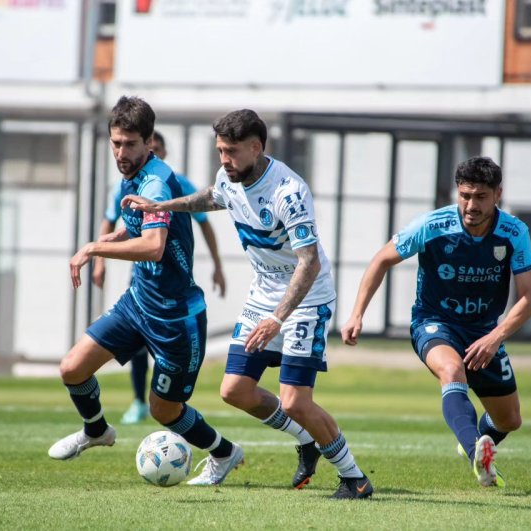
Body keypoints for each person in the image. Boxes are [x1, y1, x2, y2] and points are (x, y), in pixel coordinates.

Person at [124, 109, 373, 499]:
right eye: (220, 150)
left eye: (232, 151)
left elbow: (310, 262)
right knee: (235, 390)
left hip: (305, 300)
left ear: (256, 147)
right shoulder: (230, 176)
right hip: (263, 297)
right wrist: (162, 207)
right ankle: (307, 441)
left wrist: (278, 318)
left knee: (294, 400)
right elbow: (211, 196)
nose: (224, 159)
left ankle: (354, 478)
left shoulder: (287, 193)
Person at [49, 96, 243, 488]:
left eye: (131, 144)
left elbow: (153, 245)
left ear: (149, 141)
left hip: (176, 318)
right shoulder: (130, 176)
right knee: (72, 367)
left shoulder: (156, 181)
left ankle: (224, 452)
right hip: (138, 303)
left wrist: (94, 248)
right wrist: (105, 240)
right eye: (116, 143)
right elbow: (133, 230)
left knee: (164, 410)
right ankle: (95, 430)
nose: (122, 152)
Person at [341, 156, 531, 488]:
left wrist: (495, 337)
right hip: (434, 323)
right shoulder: (432, 226)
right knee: (451, 370)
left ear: (497, 194)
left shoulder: (514, 232)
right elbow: (381, 260)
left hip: (484, 332)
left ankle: (474, 442)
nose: (471, 204)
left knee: (510, 420)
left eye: (480, 196)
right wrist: (357, 313)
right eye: (464, 195)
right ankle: (477, 449)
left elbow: (529, 298)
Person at [93, 130, 227, 425]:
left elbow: (204, 223)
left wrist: (218, 264)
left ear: (159, 152)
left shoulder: (174, 183)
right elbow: (110, 219)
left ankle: (158, 401)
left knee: (162, 359)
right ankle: (139, 401)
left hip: (173, 290)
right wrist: (99, 260)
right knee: (137, 342)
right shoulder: (125, 185)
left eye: (156, 147)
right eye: (118, 144)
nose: (123, 152)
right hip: (141, 284)